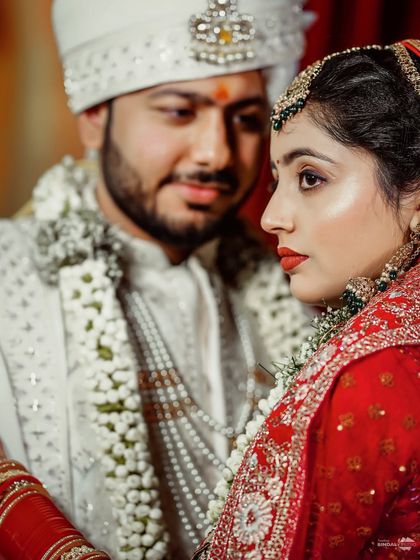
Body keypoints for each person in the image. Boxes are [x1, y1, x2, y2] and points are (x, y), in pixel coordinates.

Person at [0, 1, 312, 559]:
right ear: (94, 116)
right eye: (178, 112)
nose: (216, 153)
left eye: (244, 119)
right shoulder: (8, 279)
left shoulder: (295, 292)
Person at [196, 39, 420, 559]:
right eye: (277, 181)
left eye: (311, 178)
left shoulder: (370, 372)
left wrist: (16, 502)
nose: (272, 216)